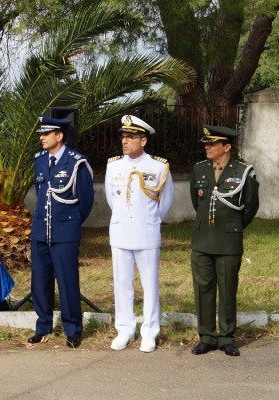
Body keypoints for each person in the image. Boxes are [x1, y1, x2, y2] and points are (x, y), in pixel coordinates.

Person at [105, 115, 174, 353]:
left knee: (149, 285)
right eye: (123, 136)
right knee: (122, 283)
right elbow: (111, 199)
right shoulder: (113, 165)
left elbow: (165, 204)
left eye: (131, 137)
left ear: (143, 140)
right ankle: (124, 329)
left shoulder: (158, 167)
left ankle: (150, 332)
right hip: (121, 232)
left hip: (146, 233)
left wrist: (149, 220)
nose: (125, 141)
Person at [189, 125, 259, 357]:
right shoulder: (199, 170)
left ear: (227, 147)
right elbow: (196, 202)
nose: (207, 147)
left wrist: (232, 227)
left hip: (229, 241)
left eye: (212, 144)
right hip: (202, 241)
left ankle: (227, 336)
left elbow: (250, 206)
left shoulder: (243, 171)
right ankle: (206, 337)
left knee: (228, 289)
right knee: (203, 289)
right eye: (206, 144)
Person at [28, 115, 94, 348]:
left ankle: (73, 329)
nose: (42, 138)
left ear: (59, 135)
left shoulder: (77, 162)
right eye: (41, 134)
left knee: (67, 281)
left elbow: (85, 201)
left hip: (65, 232)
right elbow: (40, 191)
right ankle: (43, 325)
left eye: (46, 134)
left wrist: (69, 223)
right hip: (40, 230)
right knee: (40, 281)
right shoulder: (39, 160)